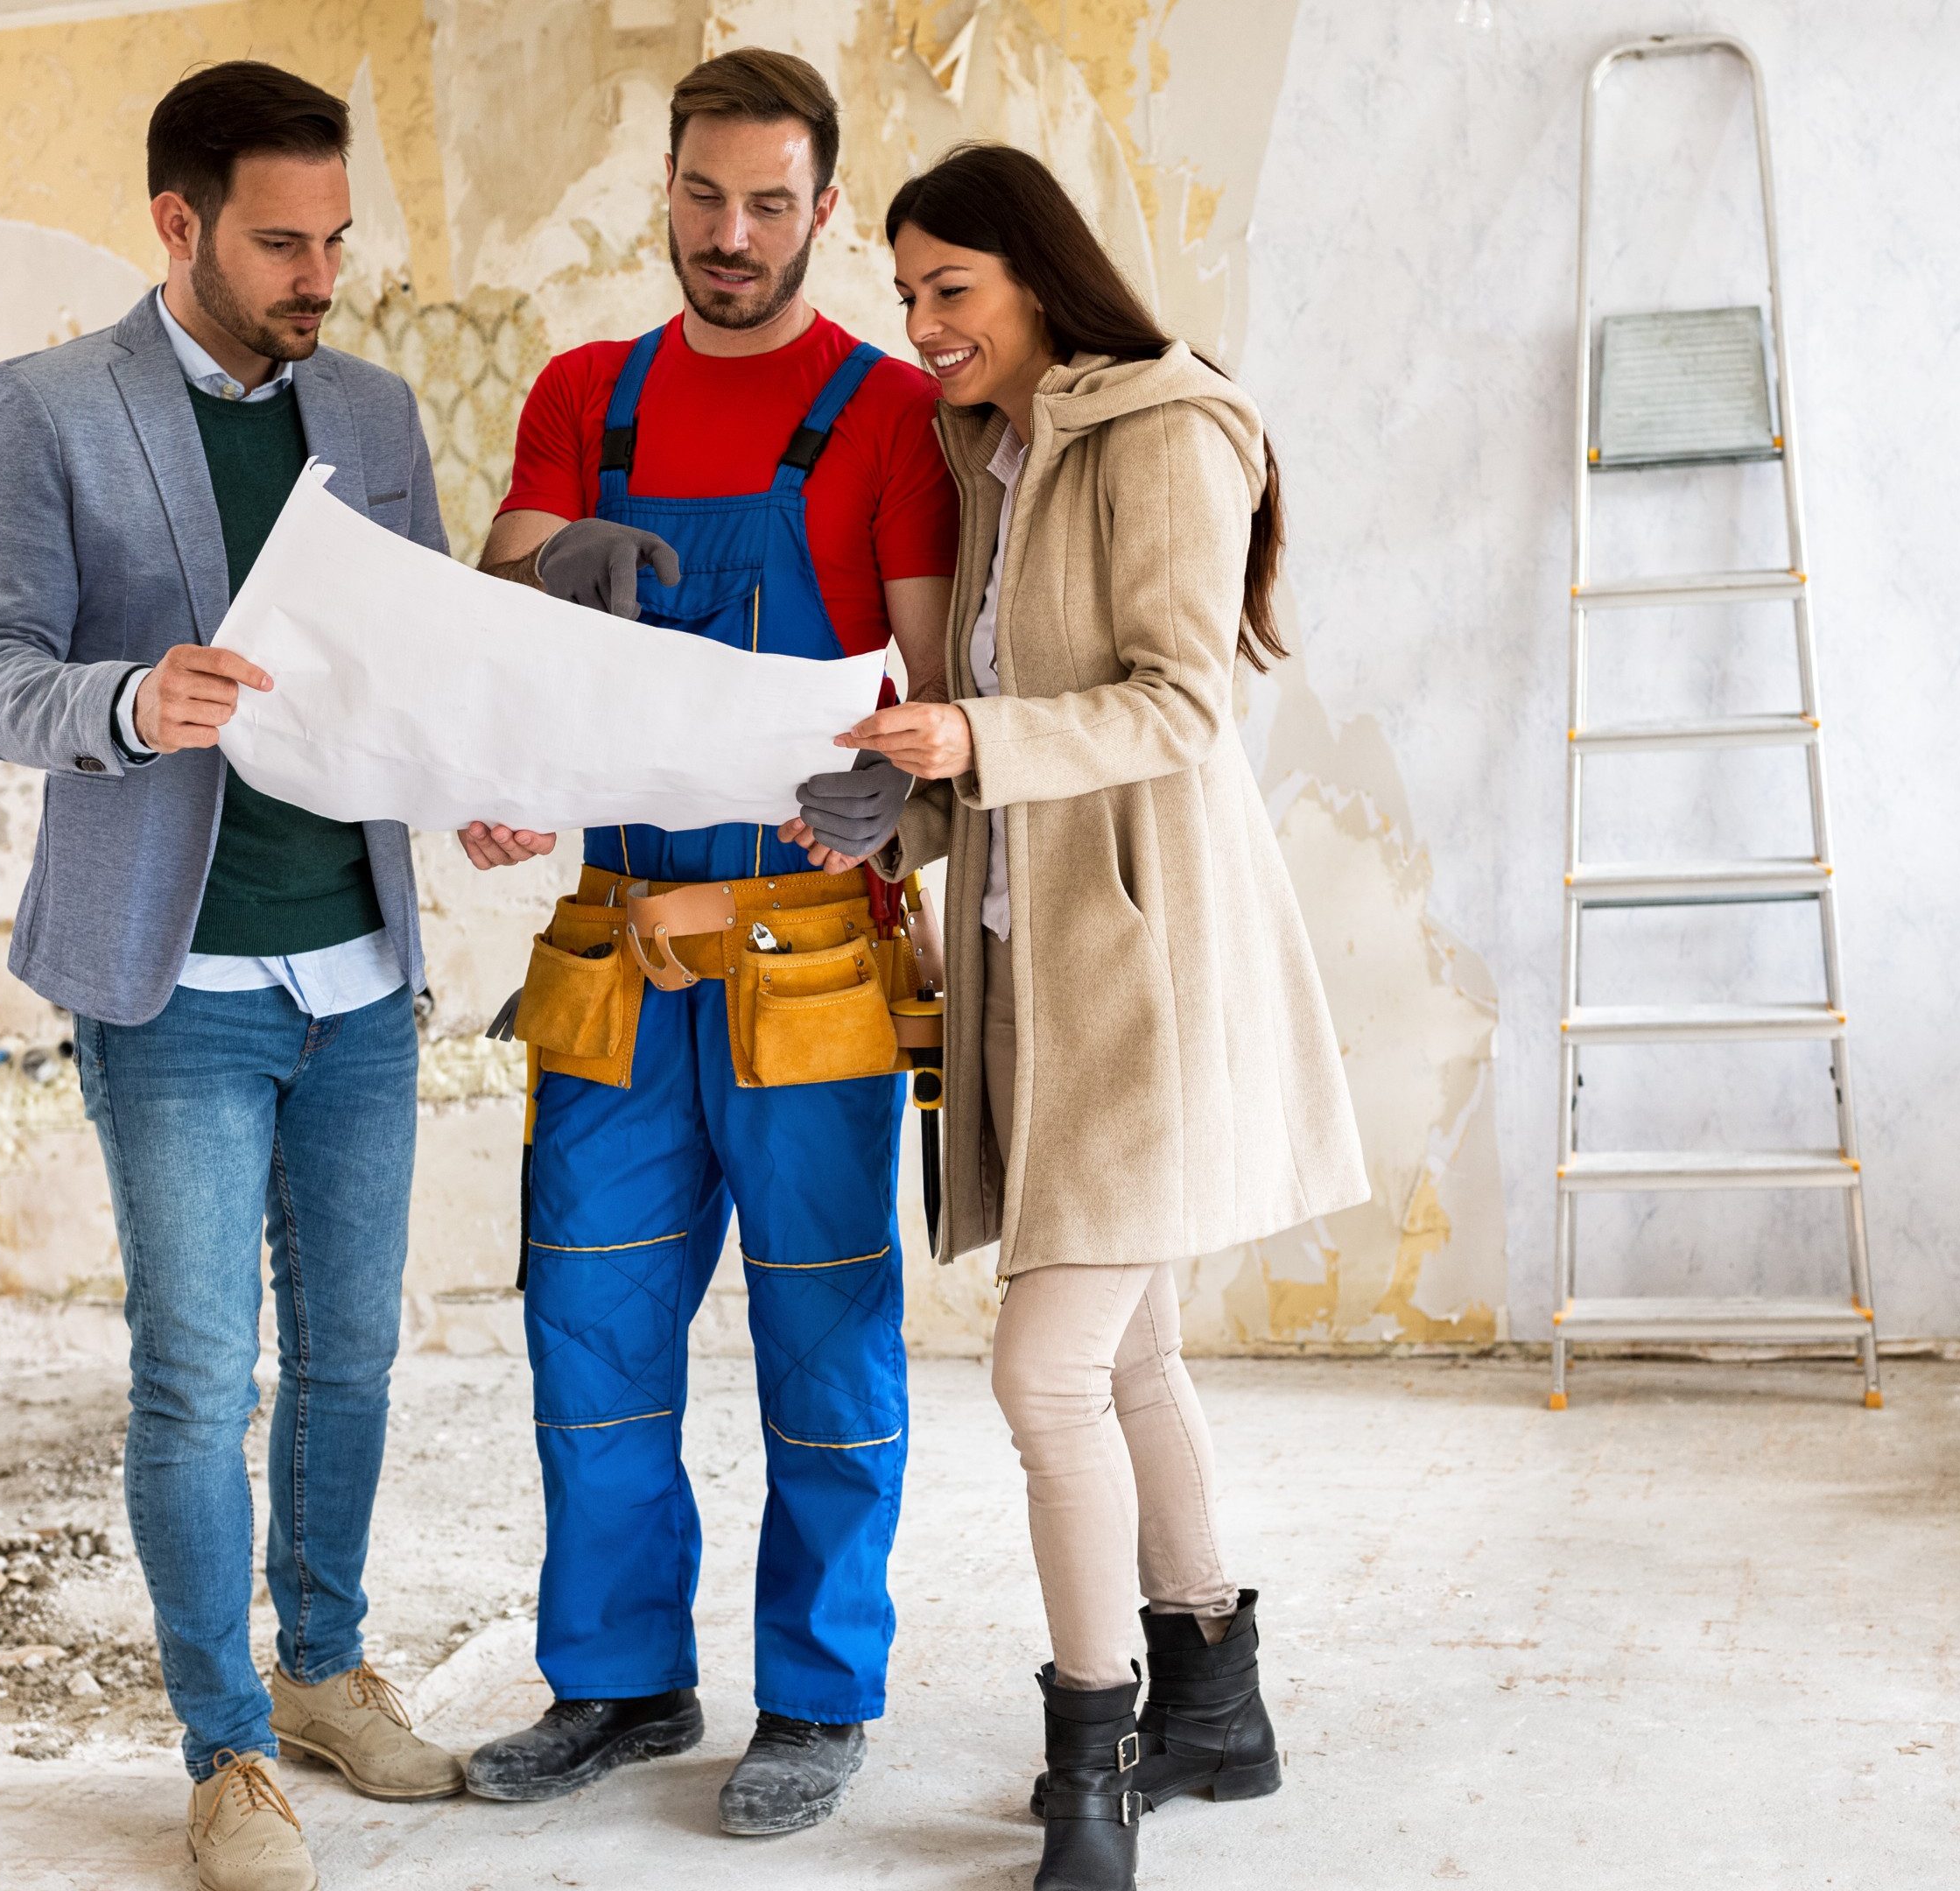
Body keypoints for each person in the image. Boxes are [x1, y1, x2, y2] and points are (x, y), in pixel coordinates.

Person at [780, 142, 1369, 1891]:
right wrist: (912, 787)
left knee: (1045, 1369)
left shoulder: (1167, 430)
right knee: (1125, 1356)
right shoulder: (990, 451)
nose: (923, 325)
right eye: (905, 296)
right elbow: (996, 704)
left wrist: (979, 747)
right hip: (1037, 965)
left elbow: (1183, 705)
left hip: (1150, 969)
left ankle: (1094, 1762)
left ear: (1040, 277)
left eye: (951, 289)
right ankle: (1218, 1712)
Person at [0, 60, 488, 1891]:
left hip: (360, 972)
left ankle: (323, 1670)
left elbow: (411, 666)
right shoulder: (47, 409)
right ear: (176, 225)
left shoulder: (375, 409)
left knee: (351, 1356)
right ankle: (228, 1753)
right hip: (171, 984)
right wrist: (119, 700)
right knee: (196, 1376)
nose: (319, 270)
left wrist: (472, 785)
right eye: (279, 241)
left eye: (336, 235)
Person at [454, 48, 958, 1840]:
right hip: (610, 951)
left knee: (827, 1346)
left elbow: (921, 676)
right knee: (588, 1335)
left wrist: (893, 800)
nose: (728, 236)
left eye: (767, 204)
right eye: (700, 197)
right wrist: (530, 628)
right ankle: (617, 1681)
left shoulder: (889, 412)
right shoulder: (582, 395)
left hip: (806, 950)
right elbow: (497, 647)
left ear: (825, 210)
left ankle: (816, 1697)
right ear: (660, 189)